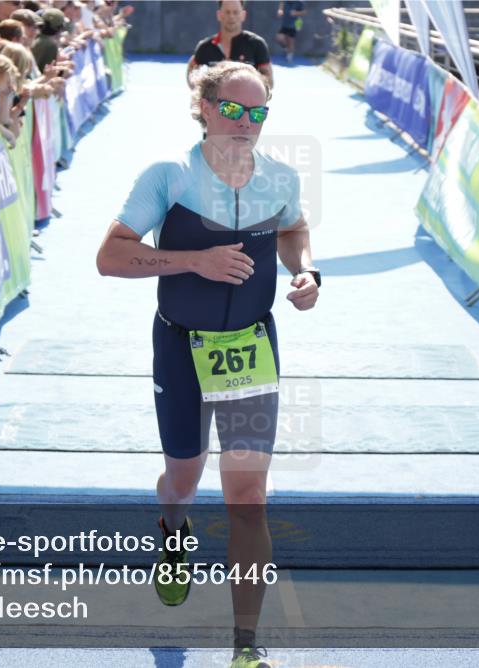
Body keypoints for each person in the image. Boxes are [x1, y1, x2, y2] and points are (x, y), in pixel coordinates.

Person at [96, 61, 319, 668]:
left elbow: (294, 230)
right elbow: (110, 257)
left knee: (248, 495)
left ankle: (246, 644)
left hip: (251, 346)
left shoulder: (280, 178)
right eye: (233, 109)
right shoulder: (169, 174)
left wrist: (306, 271)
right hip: (181, 348)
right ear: (204, 106)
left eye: (258, 112)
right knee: (183, 482)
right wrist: (194, 261)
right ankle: (173, 530)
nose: (245, 123)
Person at [187, 1, 272, 89]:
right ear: (219, 15)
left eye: (235, 12)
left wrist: (250, 80)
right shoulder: (205, 47)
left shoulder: (257, 44)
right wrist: (202, 87)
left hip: (247, 96)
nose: (231, 16)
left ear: (243, 15)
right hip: (215, 97)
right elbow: (192, 74)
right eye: (227, 12)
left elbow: (269, 81)